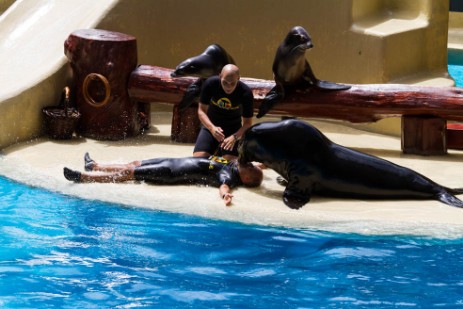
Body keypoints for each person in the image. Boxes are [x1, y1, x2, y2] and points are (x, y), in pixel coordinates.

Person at [63, 153, 263, 206]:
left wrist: (226, 196)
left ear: (245, 179)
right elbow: (260, 164)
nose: (250, 164)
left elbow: (224, 186)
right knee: (134, 164)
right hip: (173, 161)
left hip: (170, 173)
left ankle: (85, 178)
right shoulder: (234, 165)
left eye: (251, 168)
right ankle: (94, 166)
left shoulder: (228, 175)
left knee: (129, 174)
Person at [194, 64, 254, 160]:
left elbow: (247, 124)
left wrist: (235, 137)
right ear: (220, 76)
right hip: (211, 126)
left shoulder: (245, 93)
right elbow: (201, 111)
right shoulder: (210, 84)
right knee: (199, 160)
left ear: (238, 79)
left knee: (230, 165)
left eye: (232, 83)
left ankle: (217, 157)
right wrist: (212, 128)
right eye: (225, 82)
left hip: (233, 130)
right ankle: (215, 156)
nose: (228, 87)